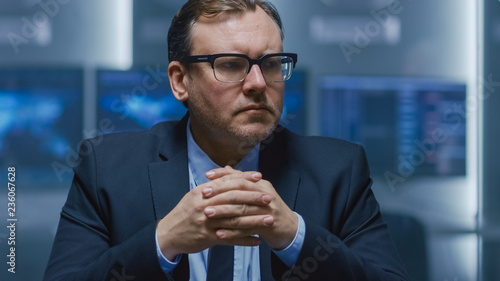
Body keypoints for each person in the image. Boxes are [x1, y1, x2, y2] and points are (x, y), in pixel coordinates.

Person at [43, 0, 409, 280]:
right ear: (180, 81)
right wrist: (164, 241)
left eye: (270, 64)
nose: (257, 84)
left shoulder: (339, 170)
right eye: (231, 64)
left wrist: (294, 235)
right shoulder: (106, 168)